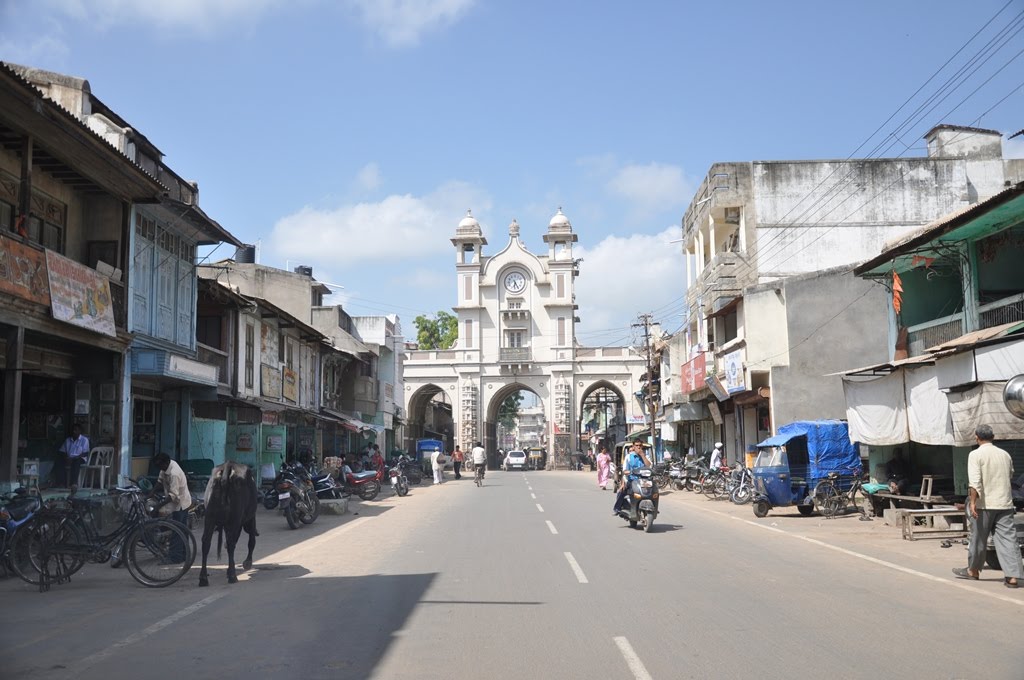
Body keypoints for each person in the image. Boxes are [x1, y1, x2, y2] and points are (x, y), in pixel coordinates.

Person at [953, 425, 1024, 587]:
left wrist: (972, 503)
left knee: (978, 539)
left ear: (977, 437)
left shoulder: (975, 454)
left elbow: (975, 482)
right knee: (1008, 540)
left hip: (984, 504)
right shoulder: (1004, 454)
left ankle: (973, 571)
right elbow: (1010, 474)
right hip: (1004, 503)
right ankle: (1012, 576)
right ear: (993, 437)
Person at [151, 452, 192, 564]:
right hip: (177, 502)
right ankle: (184, 554)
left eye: (160, 466)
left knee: (177, 531)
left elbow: (173, 496)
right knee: (182, 530)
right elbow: (160, 481)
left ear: (166, 463)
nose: (160, 468)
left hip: (181, 503)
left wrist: (158, 506)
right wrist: (151, 493)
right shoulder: (165, 468)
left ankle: (175, 557)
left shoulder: (174, 473)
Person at [613, 441, 651, 515]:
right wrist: (628, 473)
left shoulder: (646, 456)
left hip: (644, 481)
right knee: (622, 491)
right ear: (633, 447)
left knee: (653, 491)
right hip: (632, 480)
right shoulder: (629, 457)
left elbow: (649, 466)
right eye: (636, 445)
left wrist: (643, 456)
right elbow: (624, 470)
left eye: (640, 445)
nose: (638, 447)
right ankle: (617, 508)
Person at [58, 423, 90, 489]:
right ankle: (61, 483)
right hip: (69, 458)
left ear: (80, 431)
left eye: (76, 430)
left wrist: (75, 458)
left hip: (80, 458)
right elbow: (62, 451)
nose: (74, 431)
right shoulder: (68, 440)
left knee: (76, 461)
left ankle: (74, 483)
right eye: (73, 430)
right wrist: (66, 457)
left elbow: (85, 453)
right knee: (59, 461)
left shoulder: (84, 440)